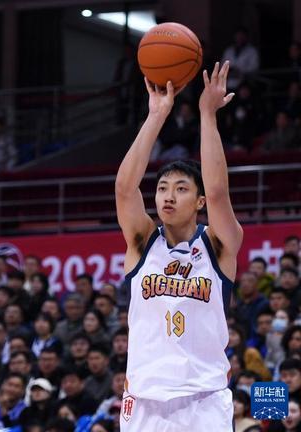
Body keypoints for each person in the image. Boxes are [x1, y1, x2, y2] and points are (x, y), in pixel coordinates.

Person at [115, 61, 242, 430]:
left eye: (181, 189)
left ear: (199, 202)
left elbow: (217, 192)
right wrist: (156, 115)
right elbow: (124, 189)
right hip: (144, 402)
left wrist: (207, 115)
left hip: (204, 401)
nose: (168, 196)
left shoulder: (218, 244)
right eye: (162, 188)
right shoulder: (142, 242)